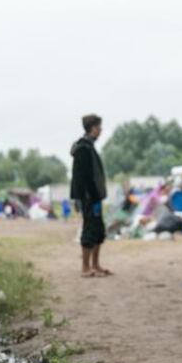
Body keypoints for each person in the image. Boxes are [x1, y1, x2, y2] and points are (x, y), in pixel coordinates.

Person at [70, 114, 111, 277]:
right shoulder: (83, 149)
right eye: (99, 127)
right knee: (89, 230)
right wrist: (83, 198)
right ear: (92, 128)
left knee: (98, 230)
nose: (101, 130)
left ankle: (96, 265)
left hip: (96, 197)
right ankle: (85, 267)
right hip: (88, 197)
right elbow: (81, 177)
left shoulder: (90, 147)